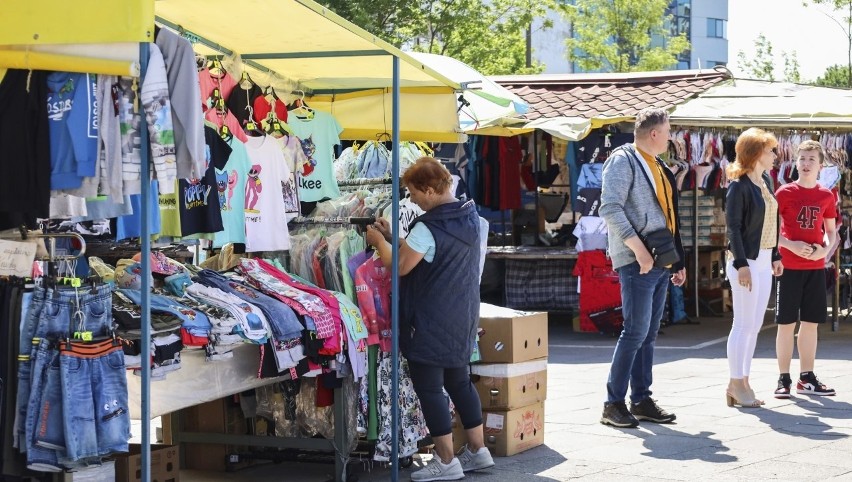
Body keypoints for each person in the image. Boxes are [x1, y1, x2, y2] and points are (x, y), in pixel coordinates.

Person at [365, 157, 493, 481]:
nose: (413, 201)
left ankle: (446, 460)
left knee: (431, 389)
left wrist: (380, 243)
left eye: (414, 193)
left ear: (430, 189)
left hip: (430, 321)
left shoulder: (428, 226)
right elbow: (424, 254)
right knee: (459, 382)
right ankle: (479, 451)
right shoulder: (469, 217)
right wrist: (394, 237)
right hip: (461, 315)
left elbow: (402, 266)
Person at [598, 107, 686, 428]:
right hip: (639, 260)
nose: (670, 136)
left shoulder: (657, 164)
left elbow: (668, 215)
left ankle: (641, 400)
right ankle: (613, 404)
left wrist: (676, 260)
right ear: (654, 134)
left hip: (659, 259)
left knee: (648, 333)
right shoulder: (623, 160)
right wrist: (639, 251)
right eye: (667, 131)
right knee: (635, 331)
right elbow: (609, 207)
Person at [724, 128, 784, 408]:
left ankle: (742, 381)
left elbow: (772, 222)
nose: (775, 155)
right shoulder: (739, 185)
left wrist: (775, 255)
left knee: (755, 326)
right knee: (743, 324)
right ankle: (737, 383)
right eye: (771, 150)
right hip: (745, 261)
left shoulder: (766, 182)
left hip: (763, 260)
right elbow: (733, 228)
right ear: (756, 152)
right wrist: (740, 264)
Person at [774, 140, 837, 398]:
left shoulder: (826, 195)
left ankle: (806, 377)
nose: (806, 163)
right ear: (795, 163)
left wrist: (824, 250)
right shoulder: (784, 193)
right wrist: (791, 244)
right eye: (802, 159)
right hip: (789, 267)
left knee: (811, 324)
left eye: (811, 159)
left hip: (815, 268)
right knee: (786, 324)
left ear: (821, 165)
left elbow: (831, 233)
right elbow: (771, 233)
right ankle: (783, 378)